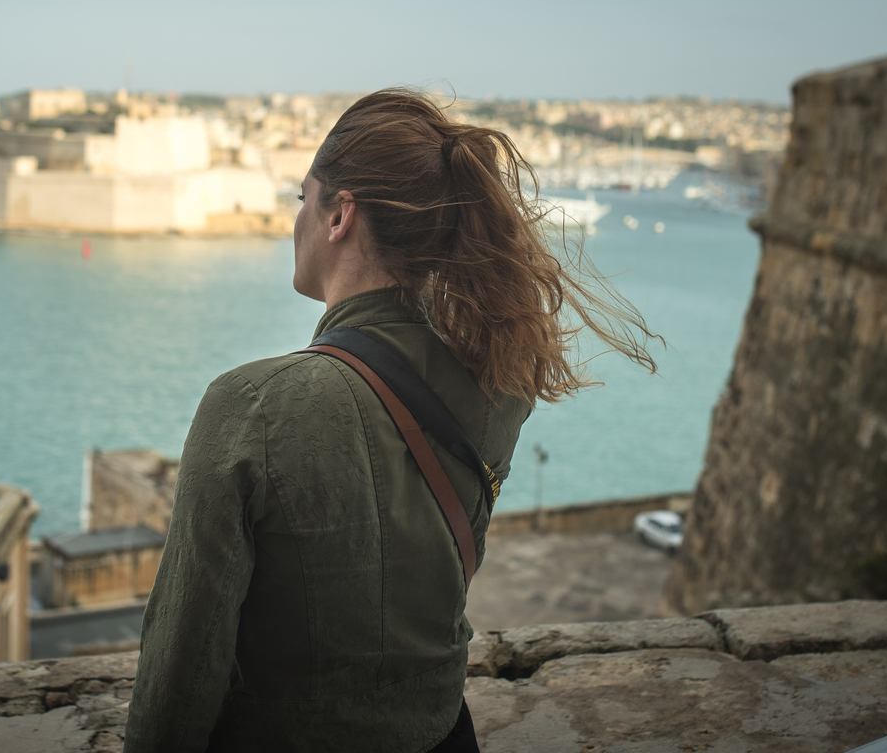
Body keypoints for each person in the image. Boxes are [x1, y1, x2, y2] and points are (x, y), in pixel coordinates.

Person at [124, 88, 656, 752]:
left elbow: (182, 664)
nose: (295, 220)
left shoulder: (250, 404)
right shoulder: (499, 384)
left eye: (301, 199)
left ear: (338, 215)